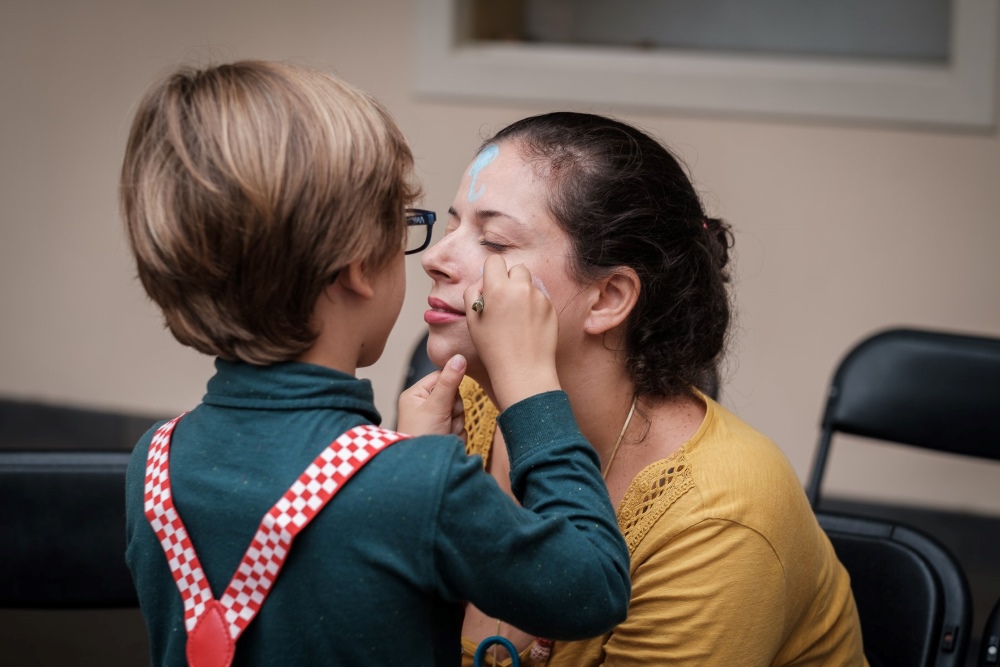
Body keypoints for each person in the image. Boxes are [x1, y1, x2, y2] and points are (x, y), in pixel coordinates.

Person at [120, 62, 630, 666]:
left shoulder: (154, 462)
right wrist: (529, 387)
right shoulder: (418, 487)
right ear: (358, 267)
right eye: (405, 225)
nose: (431, 257)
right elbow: (592, 588)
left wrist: (405, 458)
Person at [422, 112, 868, 666]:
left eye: (493, 241)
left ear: (608, 298)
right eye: (450, 228)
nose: (436, 261)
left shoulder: (718, 514)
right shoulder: (457, 413)